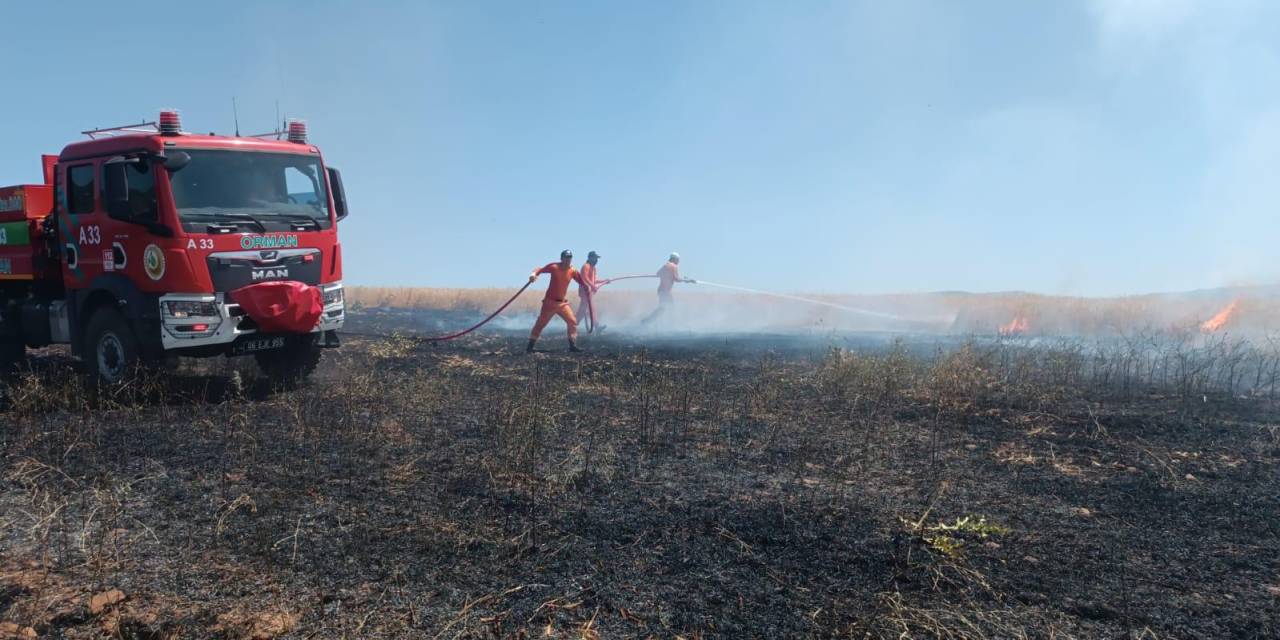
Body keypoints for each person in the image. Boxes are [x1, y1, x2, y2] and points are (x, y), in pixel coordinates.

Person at [527, 250, 586, 353]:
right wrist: (533, 275)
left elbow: (580, 281)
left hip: (562, 303)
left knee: (572, 321)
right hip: (550, 303)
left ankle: (572, 346)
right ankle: (530, 347)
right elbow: (539, 269)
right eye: (566, 257)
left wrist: (586, 287)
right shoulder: (554, 267)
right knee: (540, 324)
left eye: (570, 257)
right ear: (562, 258)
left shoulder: (573, 270)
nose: (568, 260)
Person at [641, 252, 694, 324]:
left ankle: (648, 320)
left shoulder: (666, 265)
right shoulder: (674, 266)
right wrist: (687, 280)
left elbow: (658, 274)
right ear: (675, 259)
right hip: (666, 292)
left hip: (661, 291)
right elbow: (676, 279)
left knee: (663, 308)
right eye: (678, 260)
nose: (678, 262)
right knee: (669, 308)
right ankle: (648, 321)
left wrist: (667, 276)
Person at [576, 251, 602, 331]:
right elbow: (585, 278)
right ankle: (573, 324)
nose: (596, 260)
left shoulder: (593, 268)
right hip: (584, 291)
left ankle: (596, 326)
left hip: (589, 292)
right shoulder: (586, 266)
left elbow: (593, 280)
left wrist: (604, 281)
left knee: (587, 309)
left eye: (597, 258)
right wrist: (593, 286)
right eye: (595, 258)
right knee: (585, 309)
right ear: (590, 258)